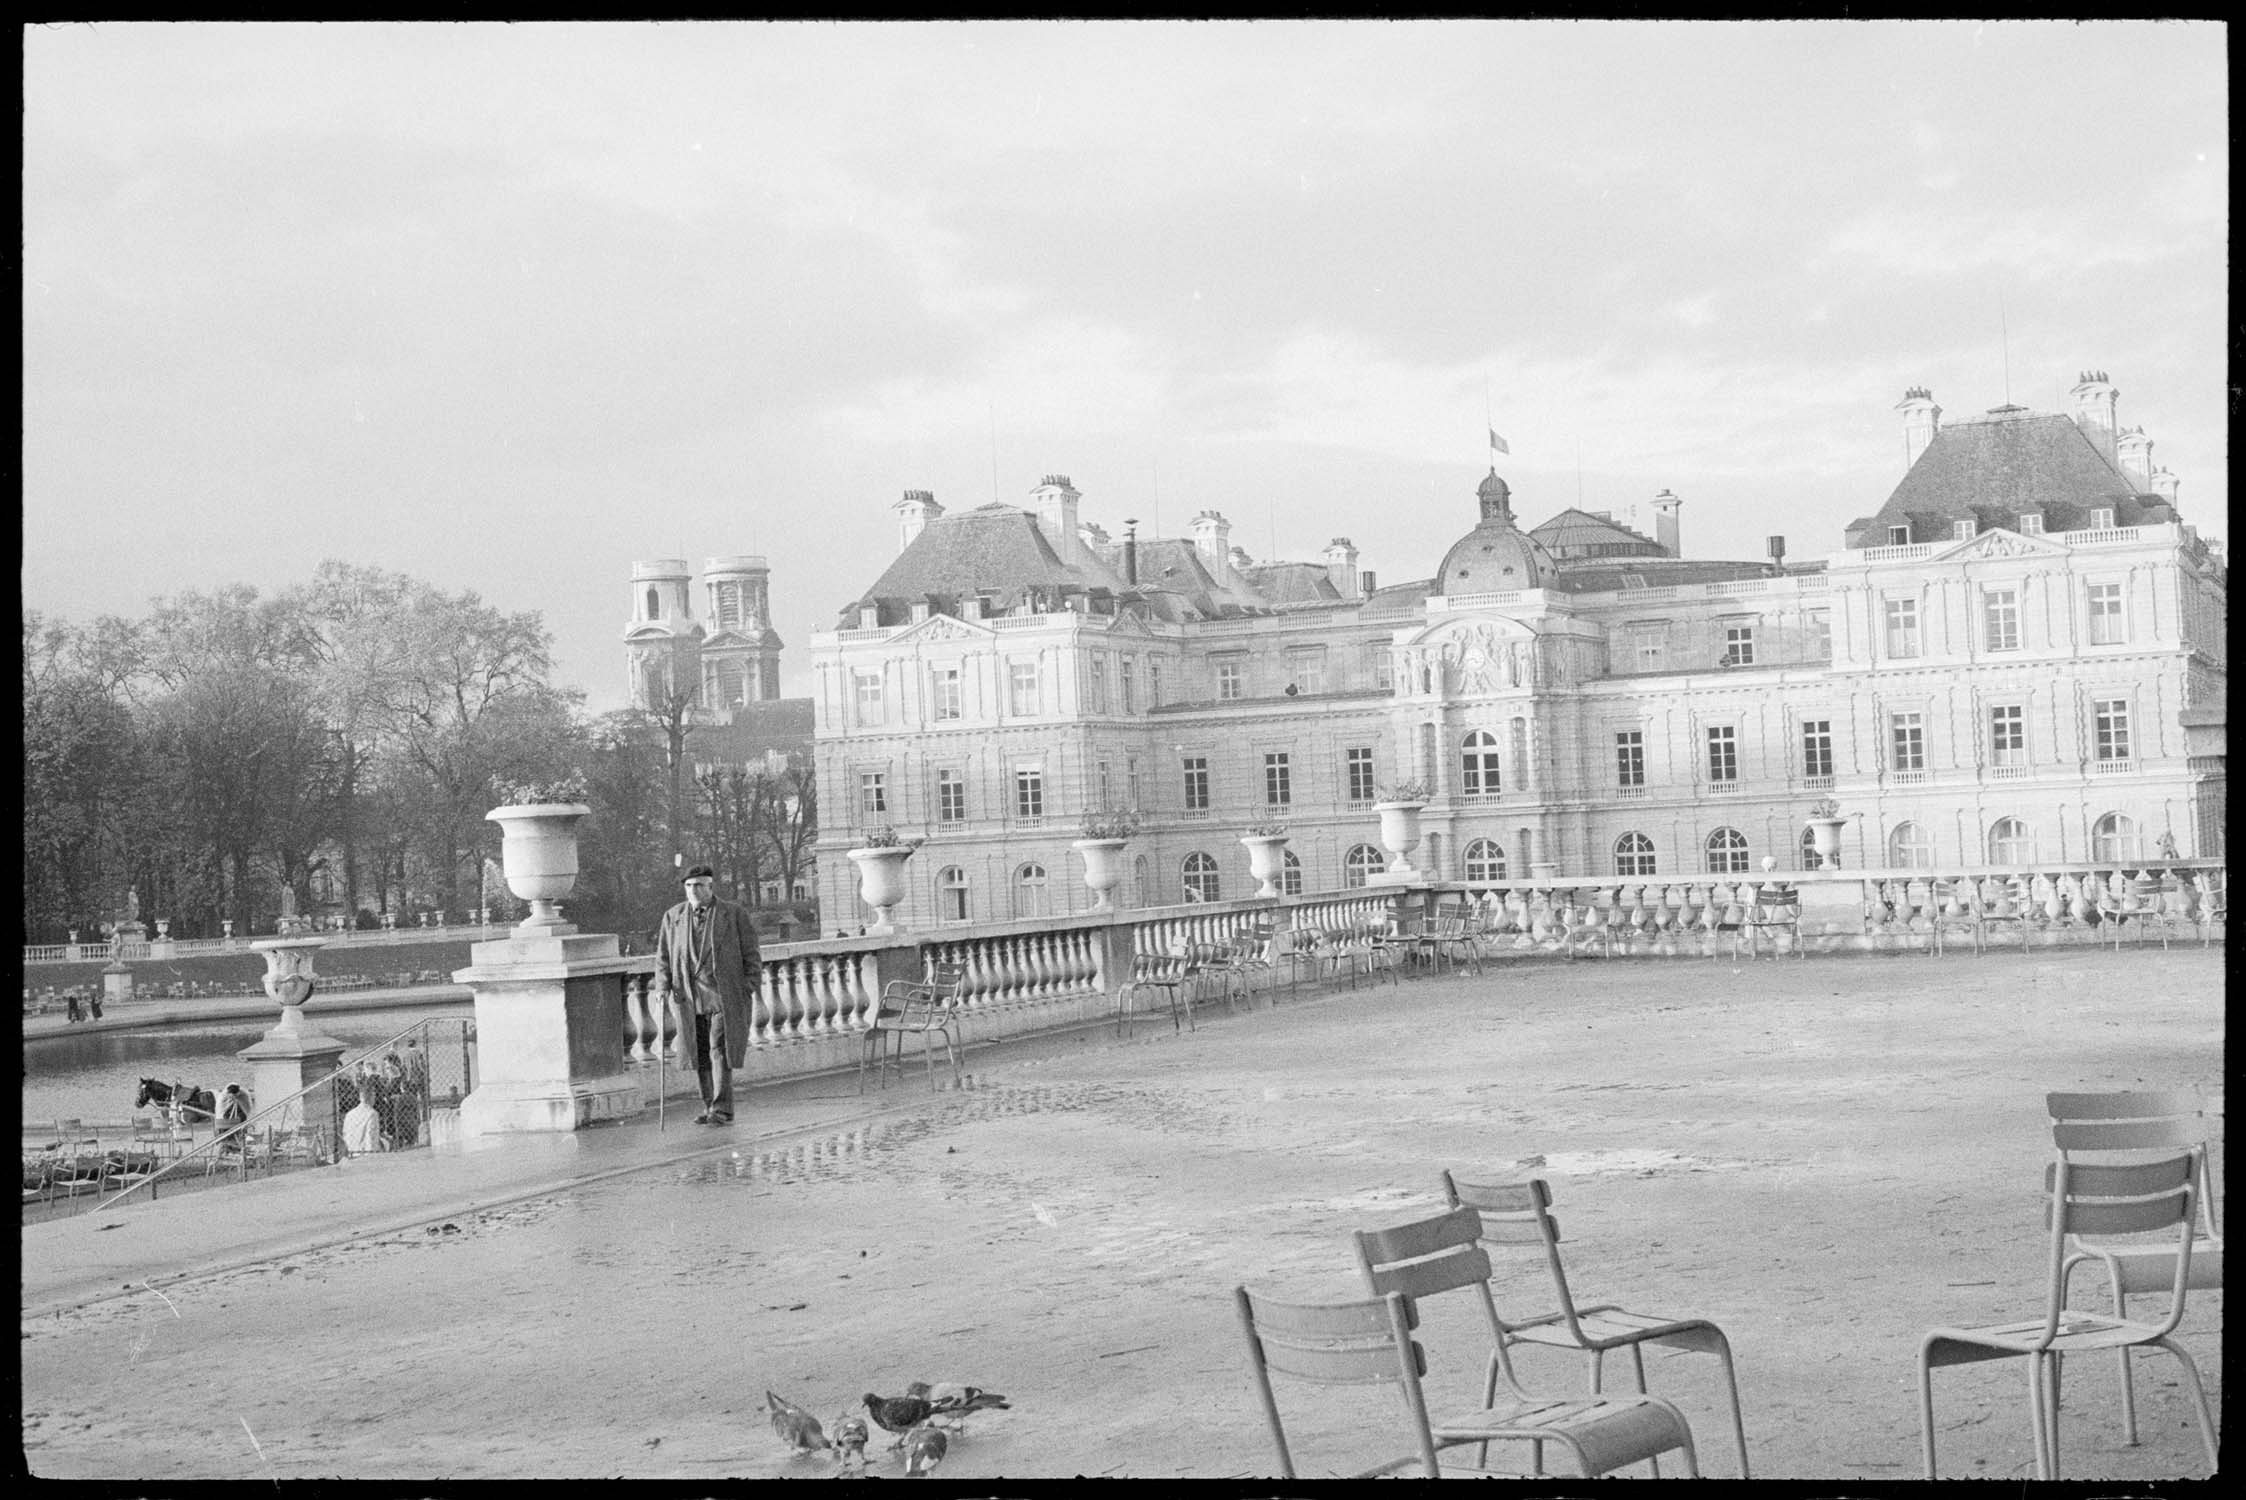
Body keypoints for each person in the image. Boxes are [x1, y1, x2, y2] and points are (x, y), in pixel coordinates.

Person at [652, 864, 761, 1126]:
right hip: (689, 998)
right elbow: (663, 957)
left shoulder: (732, 914)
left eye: (699, 885)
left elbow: (752, 953)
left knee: (719, 1050)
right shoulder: (673, 917)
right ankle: (708, 1103)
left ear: (711, 887)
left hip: (724, 995)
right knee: (698, 1052)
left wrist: (748, 984)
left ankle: (722, 1109)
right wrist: (662, 986)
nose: (693, 890)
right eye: (688, 886)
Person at [342, 1068, 384, 1155]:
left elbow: (345, 1134)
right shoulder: (372, 1114)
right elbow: (370, 1136)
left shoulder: (349, 1114)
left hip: (352, 1151)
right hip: (365, 1153)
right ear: (372, 1096)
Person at [215, 1083, 251, 1155]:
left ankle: (231, 1148)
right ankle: (230, 1148)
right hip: (225, 1122)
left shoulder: (242, 1094)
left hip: (225, 1122)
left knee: (235, 1134)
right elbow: (221, 1110)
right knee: (227, 1137)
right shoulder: (224, 1096)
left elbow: (246, 1106)